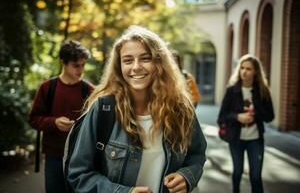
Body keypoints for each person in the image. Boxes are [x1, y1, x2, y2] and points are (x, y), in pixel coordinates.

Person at [67, 25, 207, 193]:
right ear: (119, 67)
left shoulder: (181, 109)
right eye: (128, 60)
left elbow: (197, 155)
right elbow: (79, 174)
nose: (136, 67)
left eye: (145, 58)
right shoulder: (104, 109)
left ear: (159, 63)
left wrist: (187, 176)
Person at [29, 40, 94, 193]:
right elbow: (33, 119)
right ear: (63, 62)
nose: (81, 69)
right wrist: (54, 122)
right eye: (76, 65)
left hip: (81, 158)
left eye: (83, 65)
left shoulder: (89, 90)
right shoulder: (47, 87)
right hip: (54, 156)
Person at [217, 54, 274, 193]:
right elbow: (221, 117)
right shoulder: (232, 90)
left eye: (248, 69)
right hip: (236, 139)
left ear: (255, 72)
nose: (244, 71)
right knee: (237, 172)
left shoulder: (263, 91)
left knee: (255, 177)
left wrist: (257, 112)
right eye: (242, 68)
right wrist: (237, 116)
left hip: (255, 139)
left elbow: (270, 116)